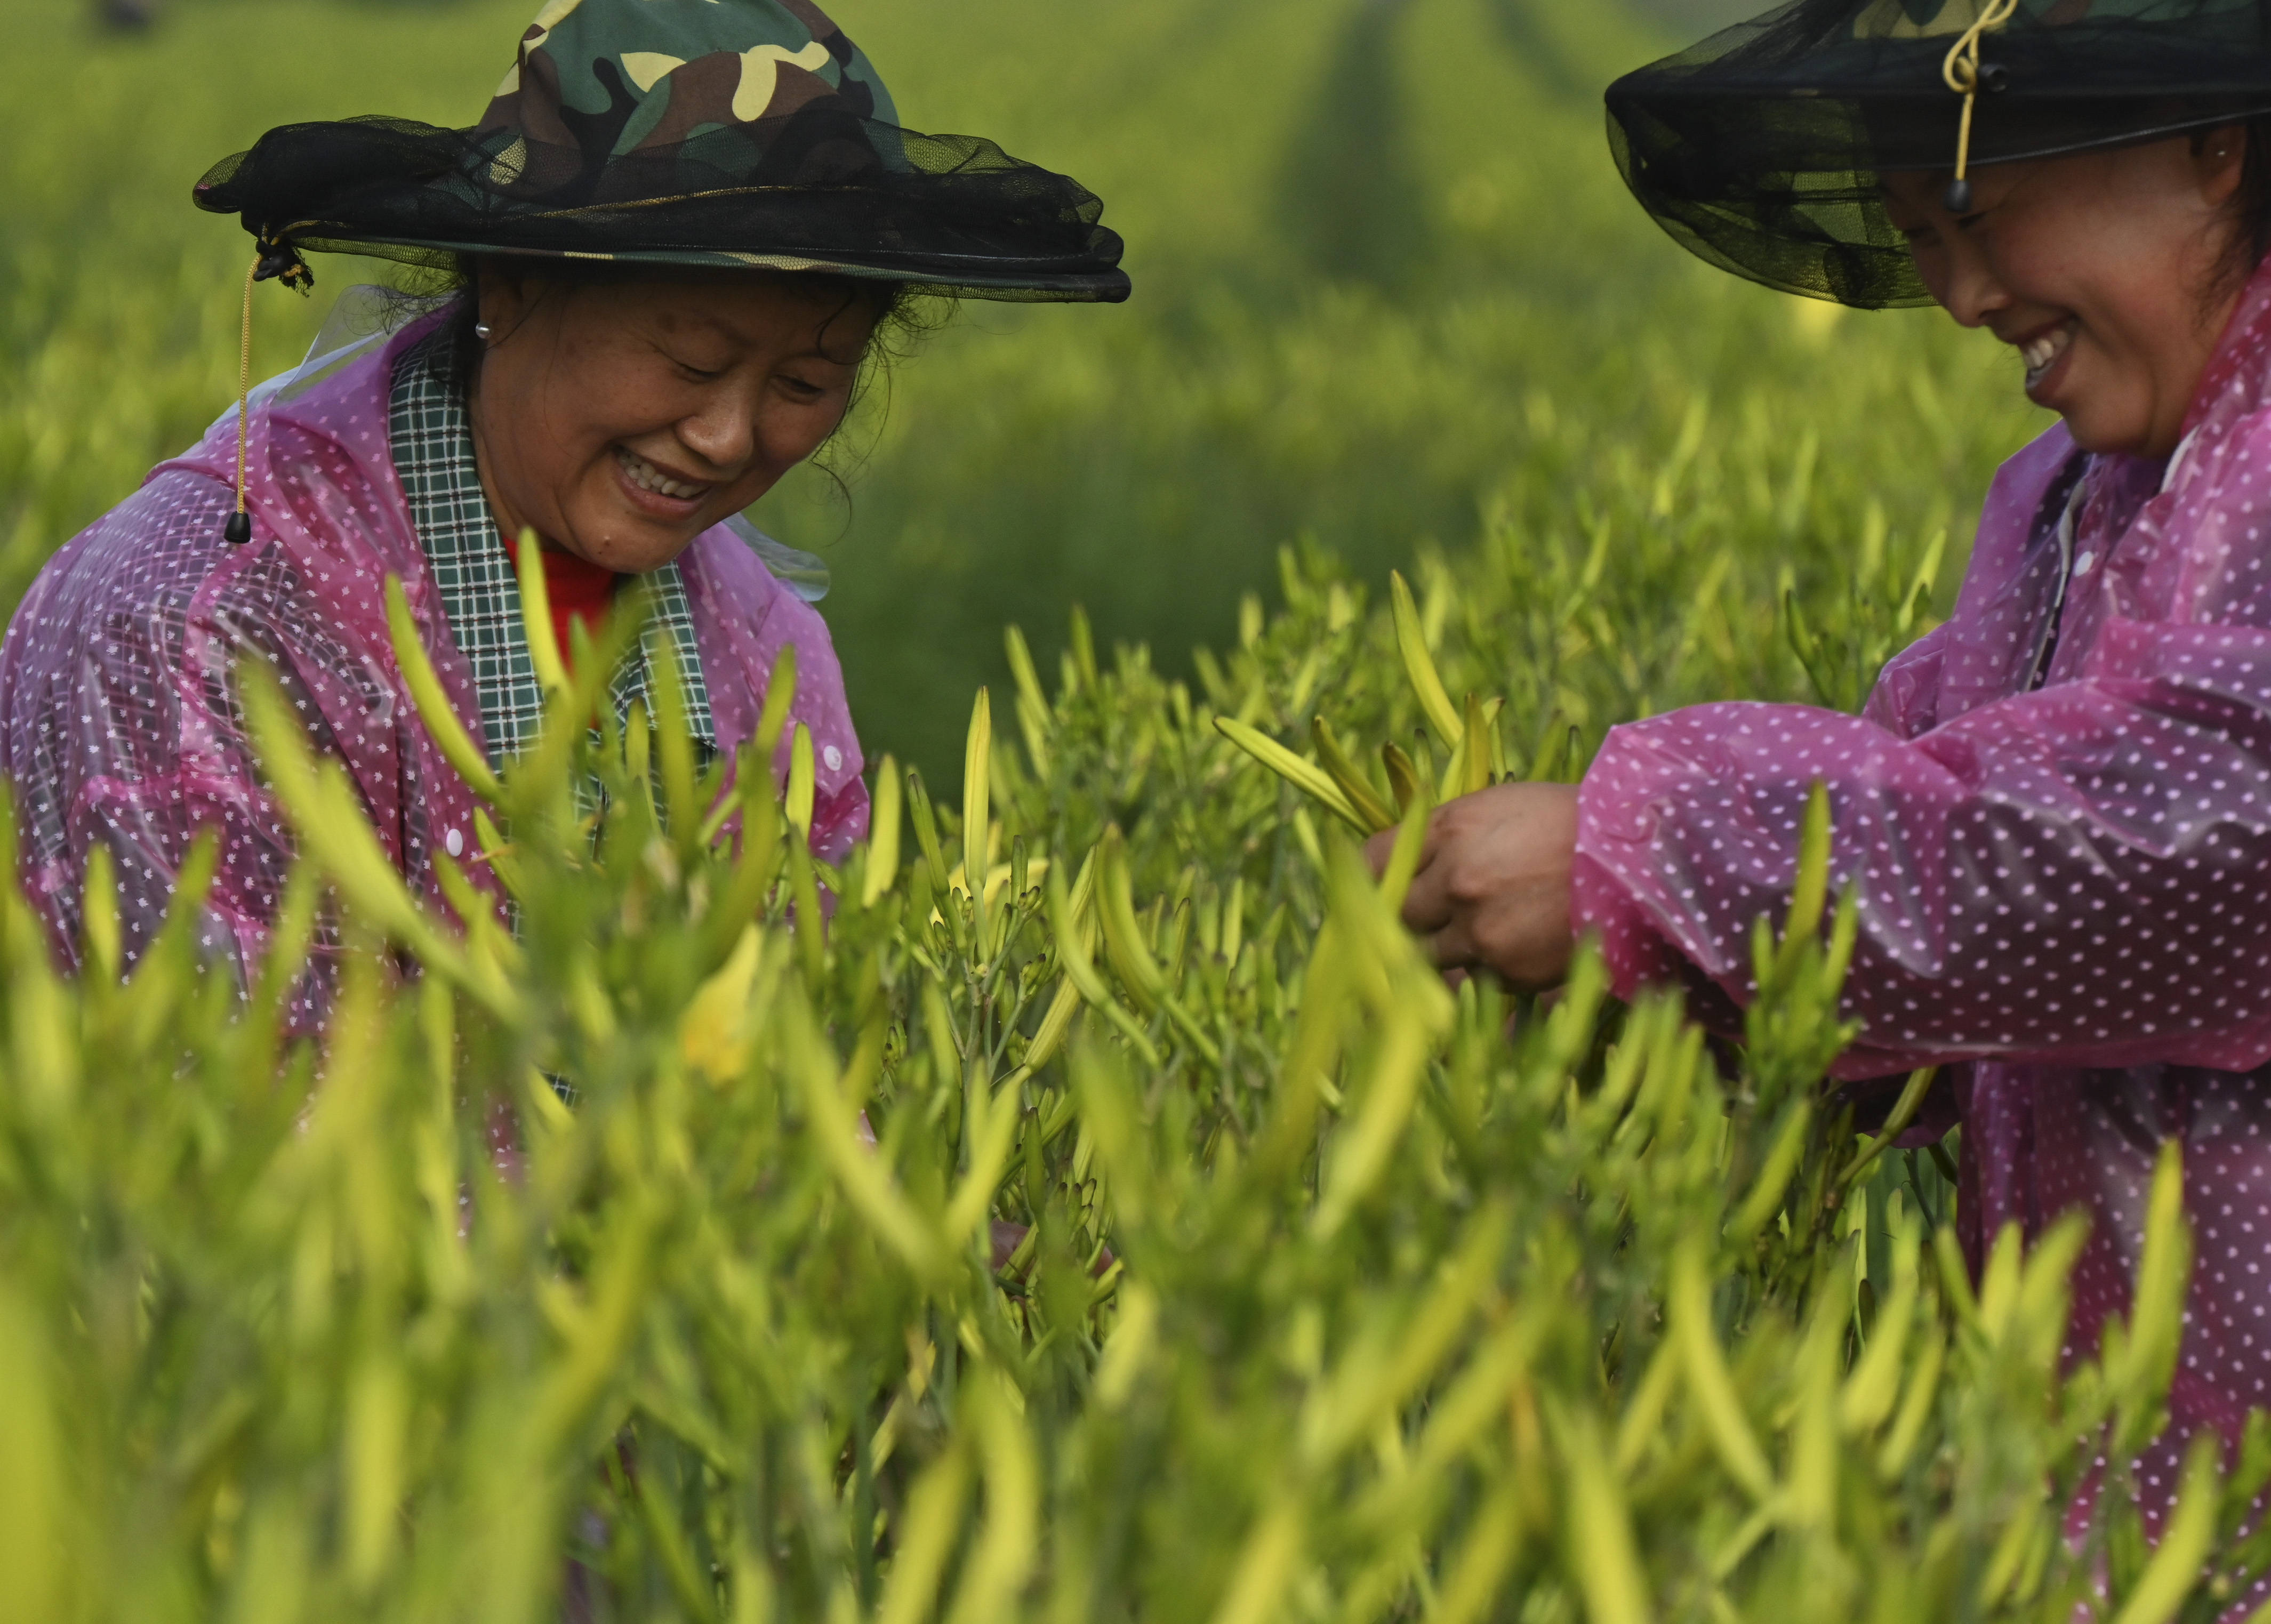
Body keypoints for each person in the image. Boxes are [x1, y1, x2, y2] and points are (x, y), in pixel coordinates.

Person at [1374, 0, 2271, 1541]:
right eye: (1923, 230)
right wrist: (1706, 1004)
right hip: (2120, 1487)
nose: (1964, 290)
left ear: (2212, 147)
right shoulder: (2078, 495)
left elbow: (2192, 825)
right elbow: (1941, 802)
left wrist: (1644, 862)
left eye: (1979, 208)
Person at [0, 0, 1126, 1019]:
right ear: (512, 284)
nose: (732, 438)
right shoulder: (199, 621)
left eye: (802, 385)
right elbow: (219, 1134)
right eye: (689, 360)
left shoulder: (760, 639)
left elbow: (799, 1054)